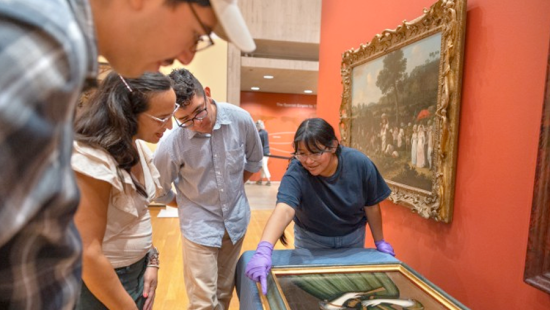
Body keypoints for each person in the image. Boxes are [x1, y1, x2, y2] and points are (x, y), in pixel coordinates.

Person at [0, 0, 254, 308]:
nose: (186, 55)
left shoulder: (64, 51)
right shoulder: (38, 44)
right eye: (196, 34)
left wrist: (151, 258)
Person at [245, 118, 395, 295]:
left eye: (315, 153)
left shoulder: (358, 163)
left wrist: (380, 241)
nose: (308, 161)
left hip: (352, 238)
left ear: (332, 146)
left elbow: (371, 205)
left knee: (350, 288)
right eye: (301, 153)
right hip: (311, 239)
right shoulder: (297, 170)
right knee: (314, 291)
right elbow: (284, 208)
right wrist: (264, 249)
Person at [153, 68, 263, 309]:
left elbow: (254, 162)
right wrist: (189, 204)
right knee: (203, 302)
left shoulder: (240, 119)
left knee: (224, 295)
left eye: (199, 111)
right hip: (199, 227)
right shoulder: (172, 143)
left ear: (208, 94)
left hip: (235, 221)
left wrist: (231, 190)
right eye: (185, 120)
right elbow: (159, 190)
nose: (197, 123)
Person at [72, 71, 176, 310]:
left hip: (136, 274)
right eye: (162, 118)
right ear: (128, 113)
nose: (169, 126)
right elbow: (87, 253)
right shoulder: (92, 160)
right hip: (100, 285)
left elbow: (138, 217)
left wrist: (151, 261)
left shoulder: (137, 146)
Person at [256, 119, 272, 186]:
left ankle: (268, 180)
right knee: (262, 166)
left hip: (263, 152)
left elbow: (259, 144)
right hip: (267, 151)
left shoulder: (259, 134)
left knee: (263, 166)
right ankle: (260, 180)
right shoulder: (265, 132)